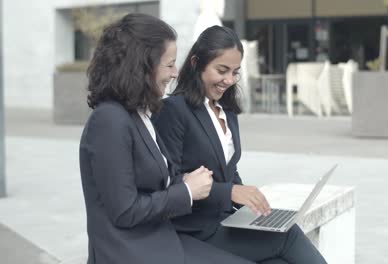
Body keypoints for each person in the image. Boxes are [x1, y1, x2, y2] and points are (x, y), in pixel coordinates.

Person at [79, 14, 256, 264]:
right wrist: (186, 191)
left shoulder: (139, 114)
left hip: (160, 241)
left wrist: (186, 180)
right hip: (131, 253)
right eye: (169, 64)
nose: (175, 73)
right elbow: (125, 211)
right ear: (142, 66)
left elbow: (155, 182)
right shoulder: (109, 120)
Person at [154, 25, 328, 264]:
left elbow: (228, 168)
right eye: (222, 70)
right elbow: (168, 181)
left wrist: (249, 199)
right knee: (290, 236)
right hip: (196, 230)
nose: (229, 80)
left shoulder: (227, 111)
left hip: (226, 221)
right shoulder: (174, 111)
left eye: (235, 72)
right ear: (196, 63)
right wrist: (231, 192)